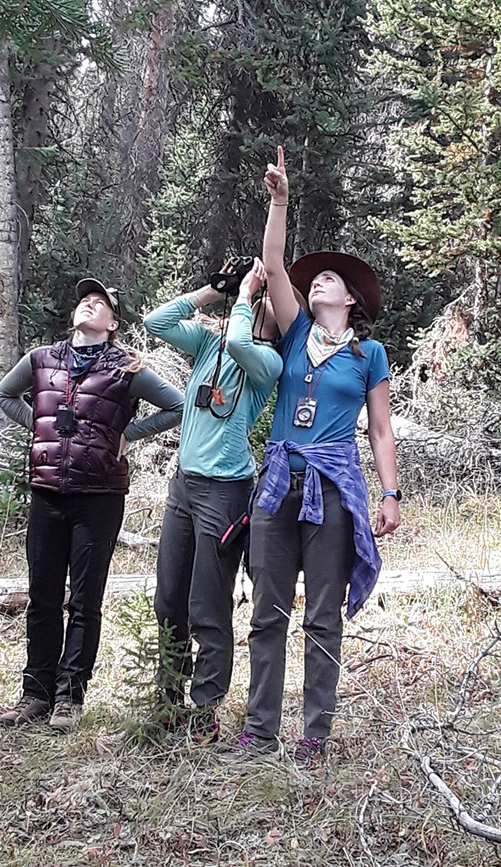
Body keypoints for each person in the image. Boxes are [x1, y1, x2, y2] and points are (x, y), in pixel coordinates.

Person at [229, 148, 401, 763]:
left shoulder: (368, 356)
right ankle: (259, 731)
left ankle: (313, 737)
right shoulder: (297, 330)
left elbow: (380, 431)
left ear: (351, 299)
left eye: (329, 279)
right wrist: (279, 200)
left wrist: (389, 493)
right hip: (279, 483)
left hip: (332, 488)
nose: (317, 281)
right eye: (315, 280)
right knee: (267, 610)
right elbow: (274, 264)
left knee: (323, 618)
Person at [0, 278, 184, 733]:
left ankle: (69, 699)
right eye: (84, 299)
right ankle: (34, 694)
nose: (89, 303)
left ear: (113, 323)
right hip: (47, 492)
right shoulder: (40, 360)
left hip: (99, 495)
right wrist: (38, 429)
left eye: (100, 303)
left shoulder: (127, 367)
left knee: (84, 600)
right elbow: (5, 395)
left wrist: (127, 436)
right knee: (42, 597)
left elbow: (179, 406)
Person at [144, 258, 283, 743]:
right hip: (183, 487)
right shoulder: (208, 344)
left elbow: (243, 340)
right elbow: (155, 322)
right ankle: (167, 703)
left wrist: (246, 294)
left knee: (207, 604)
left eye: (257, 306)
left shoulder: (268, 363)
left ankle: (205, 711)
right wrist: (211, 290)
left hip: (224, 493)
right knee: (169, 599)